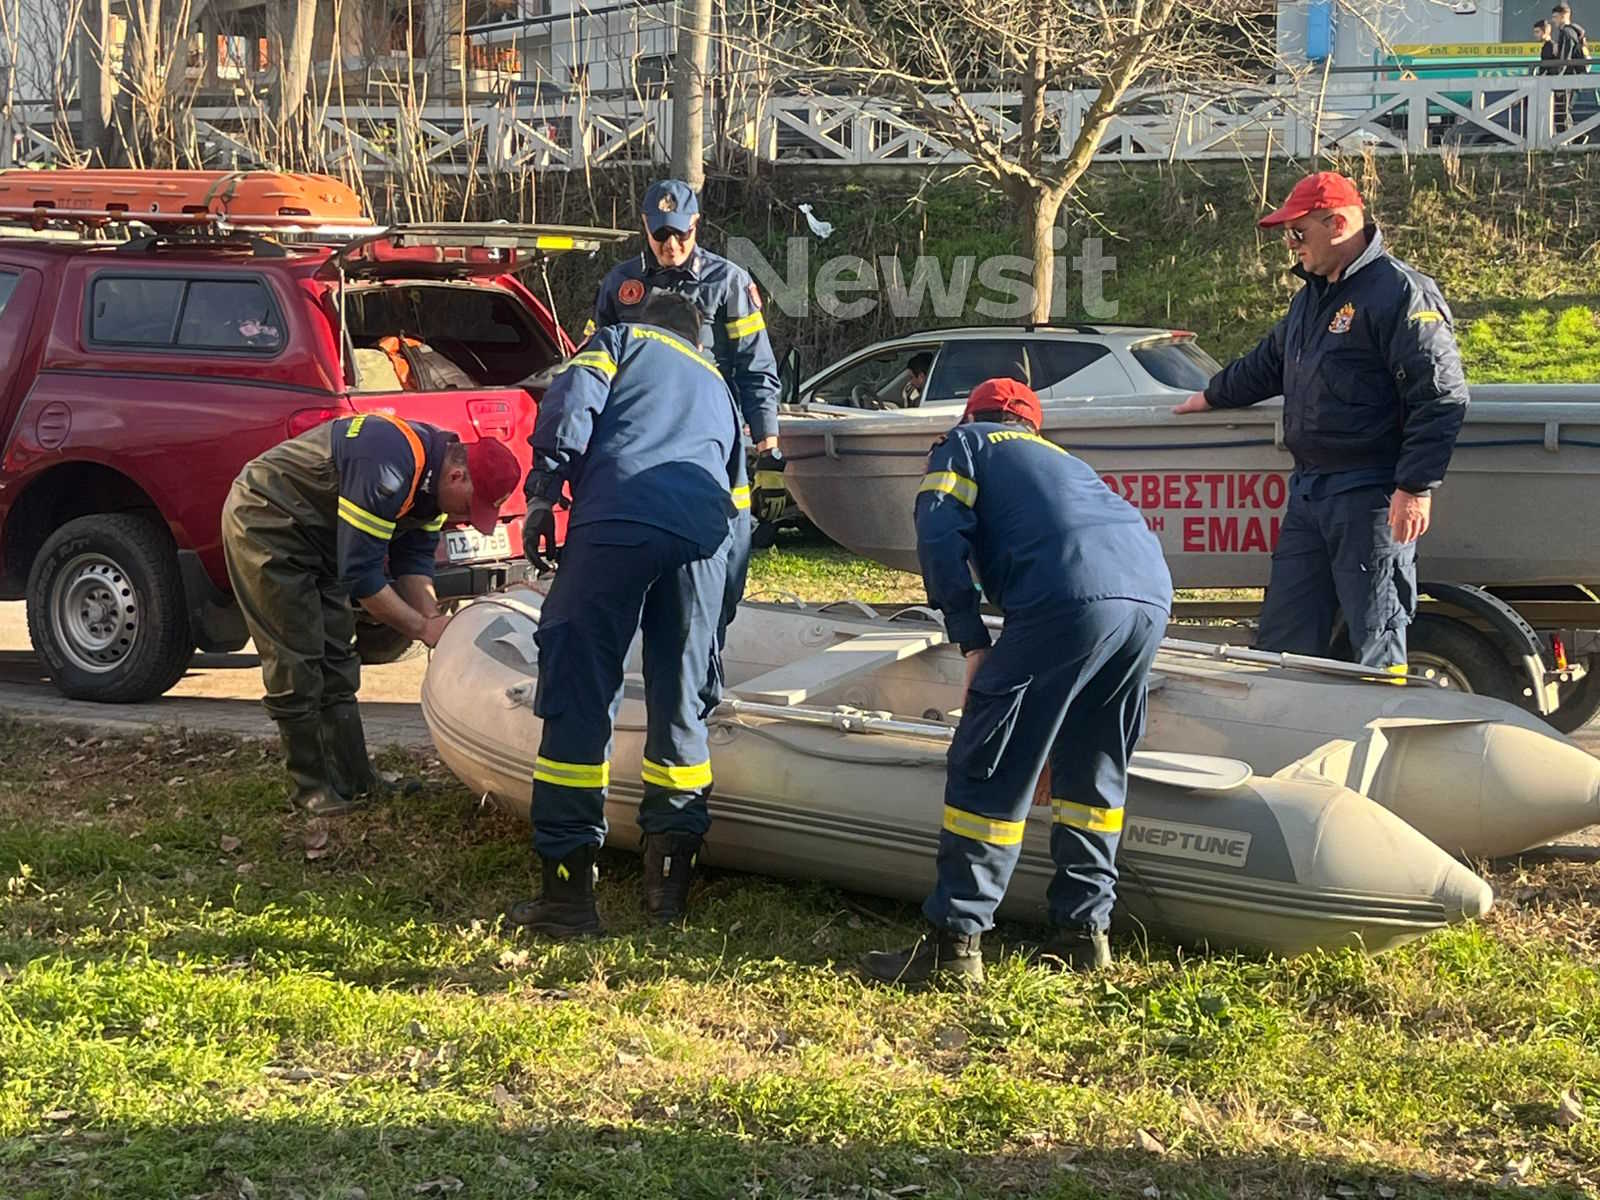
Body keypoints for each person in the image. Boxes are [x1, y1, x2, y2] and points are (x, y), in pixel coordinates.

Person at [860, 379, 1173, 987]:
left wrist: (970, 636)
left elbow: (937, 530)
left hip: (1068, 597)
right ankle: (1085, 935)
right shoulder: (1067, 462)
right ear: (1035, 426)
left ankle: (956, 944)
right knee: (1094, 766)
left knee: (991, 759)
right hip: (1149, 598)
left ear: (971, 414)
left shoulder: (966, 445)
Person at [509, 292, 747, 938]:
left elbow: (570, 408)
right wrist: (715, 621)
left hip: (617, 515)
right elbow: (741, 513)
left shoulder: (617, 343)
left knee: (579, 693)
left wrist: (543, 494)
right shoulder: (721, 389)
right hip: (704, 537)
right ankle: (667, 892)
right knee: (681, 704)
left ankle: (567, 900)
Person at [1173, 171, 1469, 674]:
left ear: (1337, 224)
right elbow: (1269, 363)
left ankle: (1382, 741)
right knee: (1286, 638)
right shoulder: (1311, 297)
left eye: (1297, 233)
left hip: (1371, 494)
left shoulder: (1399, 292)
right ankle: (1295, 739)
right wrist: (1209, 396)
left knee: (1375, 636)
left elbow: (1440, 395)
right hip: (1311, 490)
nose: (1291, 247)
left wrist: (1415, 486)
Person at [222, 413, 520, 817]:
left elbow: (412, 562)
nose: (465, 517)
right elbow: (363, 580)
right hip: (267, 522)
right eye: (470, 505)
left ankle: (356, 779)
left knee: (339, 661)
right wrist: (420, 628)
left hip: (322, 540)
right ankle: (309, 787)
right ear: (456, 477)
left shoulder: (433, 485)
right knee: (298, 661)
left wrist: (434, 619)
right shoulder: (390, 464)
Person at [585, 179, 782, 673]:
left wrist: (768, 439)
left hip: (712, 441)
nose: (671, 247)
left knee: (724, 565)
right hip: (640, 437)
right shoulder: (620, 284)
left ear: (696, 226)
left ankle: (706, 659)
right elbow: (597, 363)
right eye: (660, 236)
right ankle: (660, 669)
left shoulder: (728, 282)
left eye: (680, 235)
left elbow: (755, 367)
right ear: (645, 229)